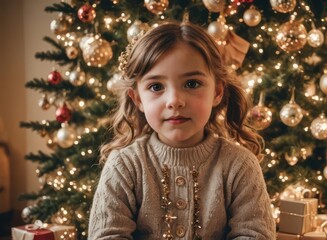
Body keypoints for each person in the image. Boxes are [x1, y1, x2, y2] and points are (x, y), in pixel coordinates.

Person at [88, 21, 276, 240]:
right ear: (137, 98)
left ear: (217, 91)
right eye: (156, 87)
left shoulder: (240, 165)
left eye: (192, 84)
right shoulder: (124, 166)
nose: (174, 101)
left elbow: (255, 235)